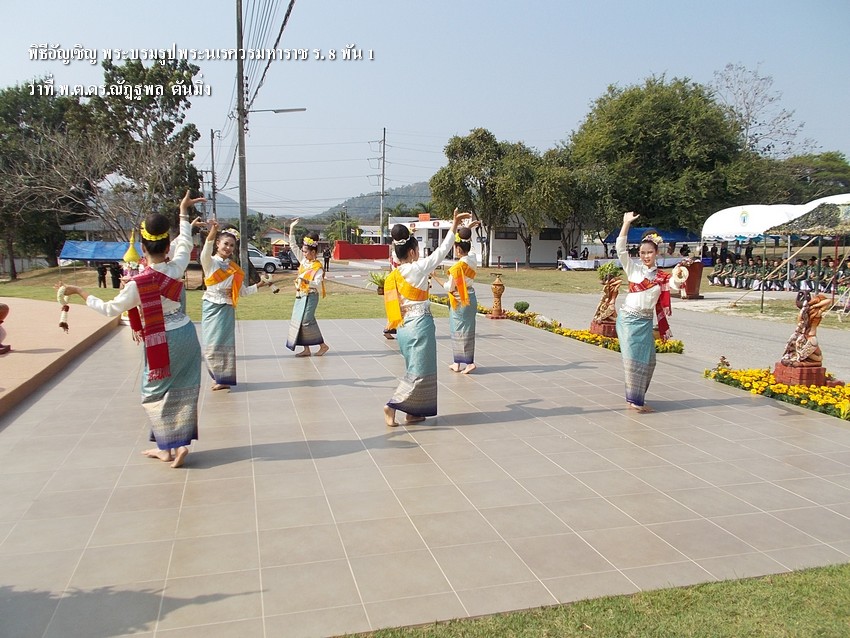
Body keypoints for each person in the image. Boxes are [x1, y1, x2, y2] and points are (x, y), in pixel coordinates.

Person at [57, 191, 206, 468]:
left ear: (143, 248)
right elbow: (185, 242)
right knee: (183, 388)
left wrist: (80, 292)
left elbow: (109, 309)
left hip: (162, 339)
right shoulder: (177, 267)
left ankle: (173, 445)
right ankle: (172, 446)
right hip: (186, 333)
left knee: (152, 393)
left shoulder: (138, 284)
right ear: (167, 246)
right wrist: (183, 212)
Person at [382, 207, 471, 427]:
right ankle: (393, 405)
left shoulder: (394, 275)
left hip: (403, 328)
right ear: (413, 252)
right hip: (419, 326)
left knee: (415, 368)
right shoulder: (418, 268)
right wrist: (453, 226)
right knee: (420, 371)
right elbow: (442, 250)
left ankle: (413, 413)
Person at [615, 212, 680, 413]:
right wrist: (626, 224)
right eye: (642, 253)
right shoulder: (633, 270)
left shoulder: (662, 277)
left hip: (645, 322)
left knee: (649, 362)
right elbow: (620, 249)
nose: (645, 256)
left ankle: (635, 397)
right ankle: (635, 402)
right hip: (628, 320)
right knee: (633, 361)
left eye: (649, 252)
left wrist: (680, 274)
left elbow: (675, 285)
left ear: (656, 253)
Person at [200, 220, 271, 391]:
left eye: (231, 245)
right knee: (210, 345)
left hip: (226, 308)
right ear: (218, 244)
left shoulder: (234, 269)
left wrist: (260, 285)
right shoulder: (209, 262)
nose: (228, 248)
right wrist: (214, 230)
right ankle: (217, 375)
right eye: (225, 244)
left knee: (224, 344)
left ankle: (223, 379)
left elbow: (242, 292)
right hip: (211, 306)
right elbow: (206, 247)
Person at [434, 223, 480, 374]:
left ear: (458, 249)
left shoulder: (458, 267)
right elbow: (471, 248)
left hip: (460, 300)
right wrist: (468, 229)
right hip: (470, 297)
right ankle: (457, 362)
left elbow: (450, 287)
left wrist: (435, 277)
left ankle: (469, 363)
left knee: (458, 331)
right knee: (467, 330)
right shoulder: (473, 258)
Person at [286, 219, 329, 357]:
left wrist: (306, 281)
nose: (303, 254)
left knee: (306, 320)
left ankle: (322, 345)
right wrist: (291, 229)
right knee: (302, 320)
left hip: (311, 295)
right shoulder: (304, 261)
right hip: (301, 295)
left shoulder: (318, 267)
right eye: (303, 251)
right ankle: (307, 349)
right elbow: (293, 245)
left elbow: (317, 283)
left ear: (313, 252)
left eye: (306, 252)